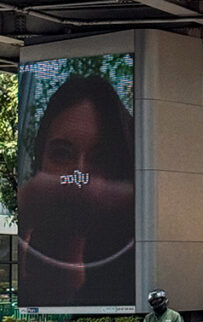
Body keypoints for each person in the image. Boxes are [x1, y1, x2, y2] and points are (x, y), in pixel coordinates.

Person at [18, 73, 135, 307]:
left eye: (100, 157)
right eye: (61, 153)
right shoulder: (32, 250)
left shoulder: (139, 257)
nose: (79, 173)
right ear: (40, 162)